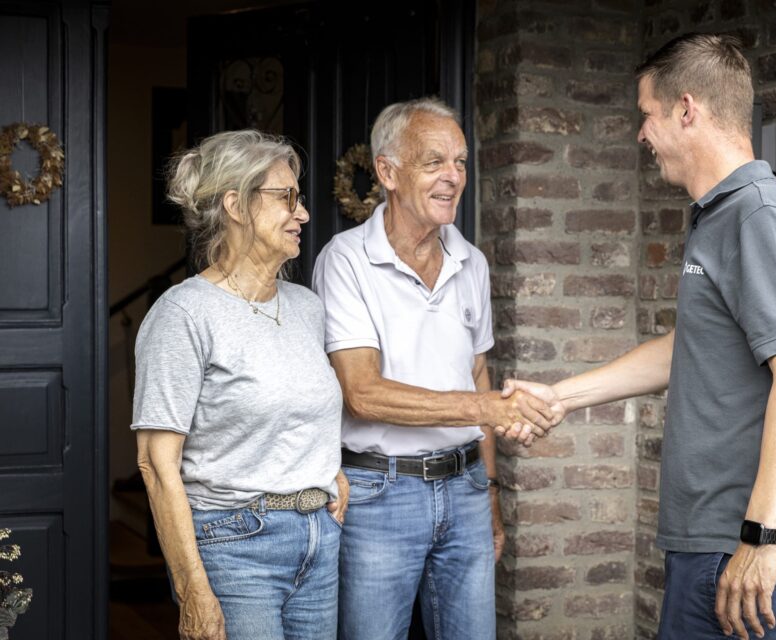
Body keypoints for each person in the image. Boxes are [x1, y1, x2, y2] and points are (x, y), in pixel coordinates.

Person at [503, 34, 776, 640]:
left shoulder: (761, 214)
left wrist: (760, 538)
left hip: (741, 548)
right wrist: (561, 397)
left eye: (646, 115)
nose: (641, 133)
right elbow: (691, 348)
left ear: (687, 110)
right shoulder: (721, 215)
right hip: (713, 544)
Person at [313, 98, 555, 640]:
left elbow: (478, 376)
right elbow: (362, 393)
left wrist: (491, 493)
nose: (453, 176)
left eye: (461, 162)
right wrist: (482, 409)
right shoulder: (346, 261)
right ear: (387, 172)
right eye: (434, 162)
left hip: (467, 488)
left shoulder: (472, 262)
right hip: (379, 494)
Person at [133, 130, 348, 640]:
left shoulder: (306, 308)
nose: (303, 214)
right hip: (234, 545)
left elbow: (299, 407)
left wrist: (325, 468)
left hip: (319, 541)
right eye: (286, 198)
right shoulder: (184, 313)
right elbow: (156, 464)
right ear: (235, 204)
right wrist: (192, 591)